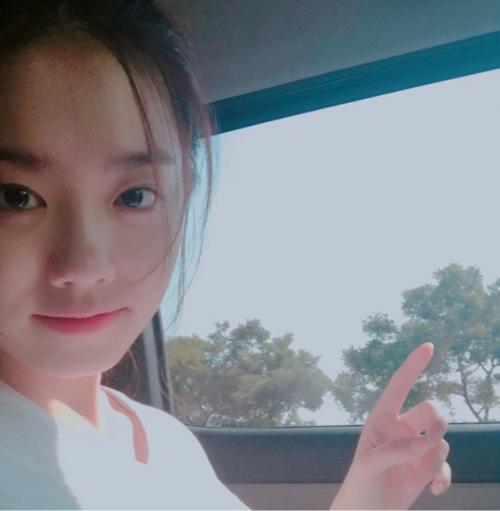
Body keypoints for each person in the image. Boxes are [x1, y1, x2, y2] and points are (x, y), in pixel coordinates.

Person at [0, 0, 451, 509]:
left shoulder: (162, 439)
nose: (84, 267)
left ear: (184, 193)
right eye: (15, 197)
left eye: (135, 196)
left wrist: (364, 500)